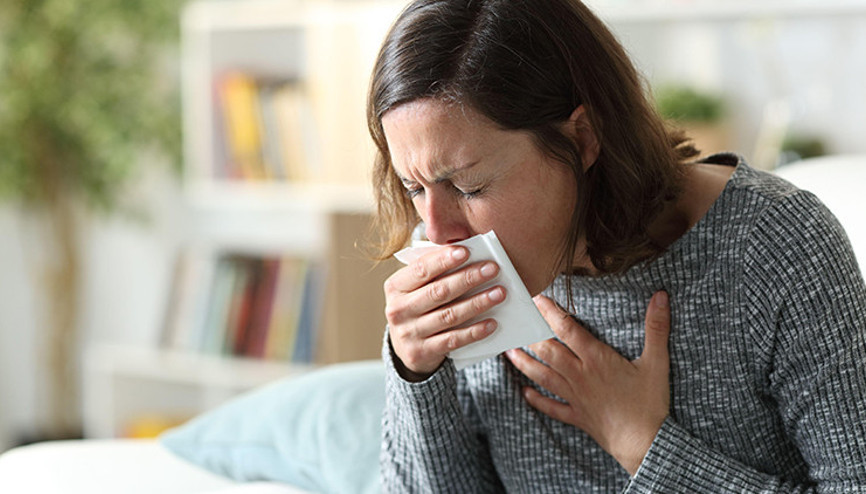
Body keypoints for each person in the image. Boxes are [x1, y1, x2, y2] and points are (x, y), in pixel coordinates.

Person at [366, 0, 866, 491]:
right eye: (414, 187)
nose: (435, 231)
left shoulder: (775, 245)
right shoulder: (450, 260)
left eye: (470, 187)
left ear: (584, 137)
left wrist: (643, 445)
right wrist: (416, 373)